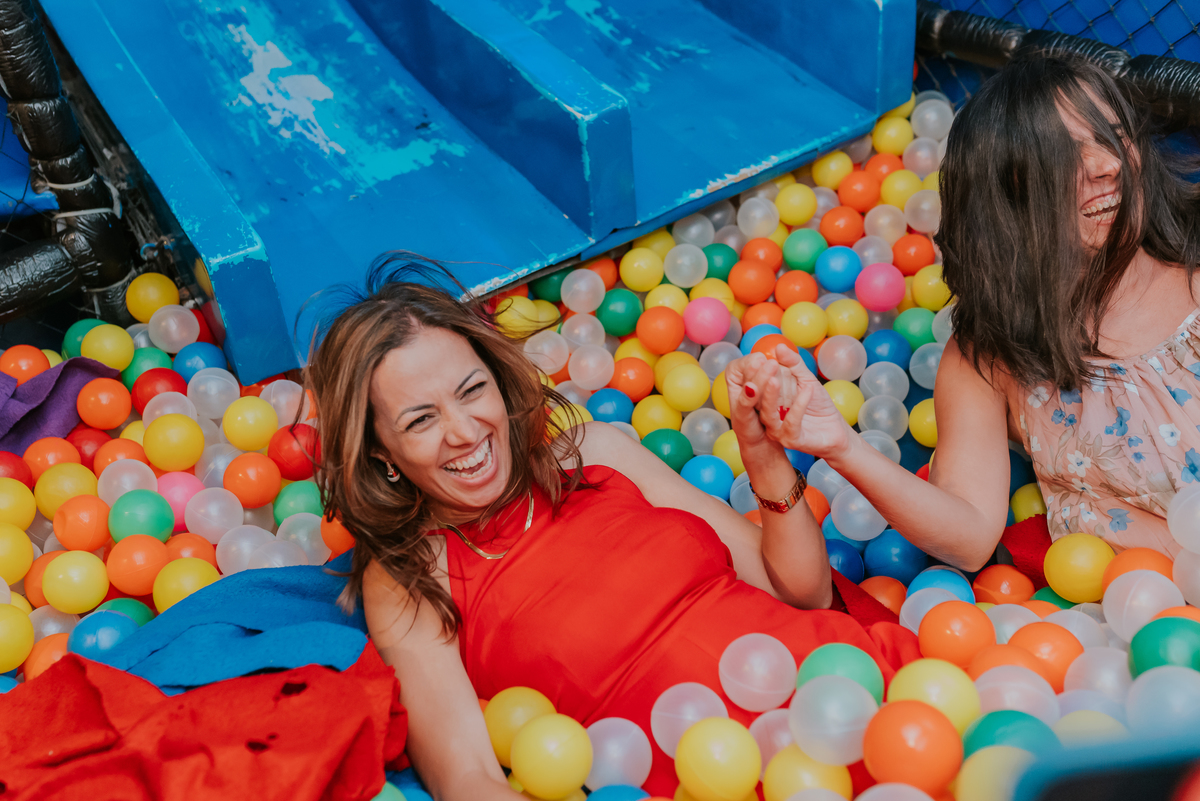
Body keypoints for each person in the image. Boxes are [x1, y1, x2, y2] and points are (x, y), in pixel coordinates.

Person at [304, 258, 918, 799]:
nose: (464, 432)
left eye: (472, 390)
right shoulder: (411, 574)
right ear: (380, 451)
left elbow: (804, 591)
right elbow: (466, 779)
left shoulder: (593, 453)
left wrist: (762, 457)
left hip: (847, 694)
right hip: (703, 778)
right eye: (420, 420)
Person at [752, 56, 1200, 564]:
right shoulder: (992, 356)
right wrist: (842, 446)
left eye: (1114, 138)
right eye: (1065, 157)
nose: (1107, 165)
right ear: (1009, 192)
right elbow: (967, 538)